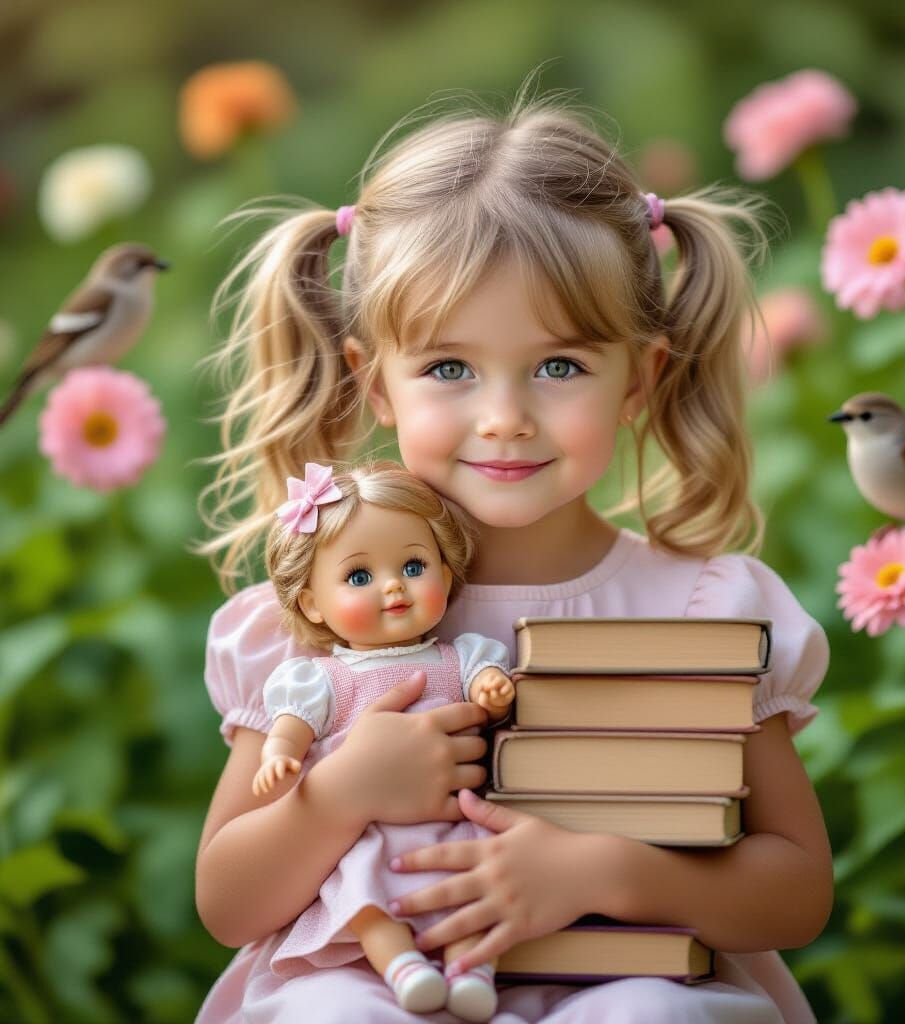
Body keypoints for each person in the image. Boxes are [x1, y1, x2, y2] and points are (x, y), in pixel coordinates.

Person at [194, 85, 832, 1024]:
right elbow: (226, 904)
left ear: (636, 380)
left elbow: (796, 893)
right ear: (377, 384)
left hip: (630, 985)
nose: (504, 417)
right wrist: (338, 793)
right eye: (449, 368)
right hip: (376, 988)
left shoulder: (701, 607)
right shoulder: (326, 613)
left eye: (560, 365)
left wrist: (605, 868)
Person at [252, 459, 515, 1020]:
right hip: (371, 834)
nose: (393, 585)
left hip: (456, 821)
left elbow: (488, 689)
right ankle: (403, 968)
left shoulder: (459, 657)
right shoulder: (323, 678)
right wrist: (280, 752)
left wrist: (491, 689)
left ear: (444, 574)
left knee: (477, 889)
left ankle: (471, 969)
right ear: (313, 604)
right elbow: (292, 722)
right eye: (358, 576)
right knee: (361, 897)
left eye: (414, 565)